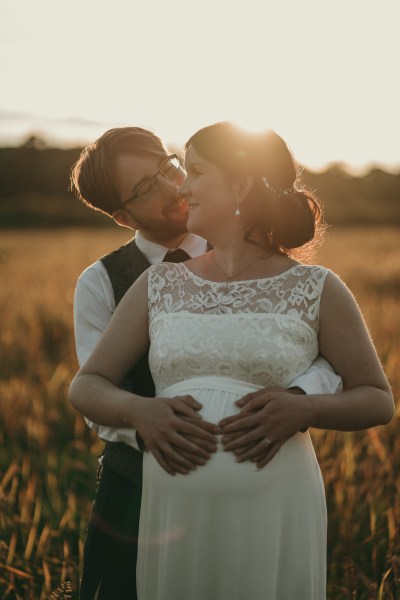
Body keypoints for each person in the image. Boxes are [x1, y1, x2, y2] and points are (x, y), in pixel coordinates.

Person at [70, 126, 345, 599]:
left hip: (264, 491)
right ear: (121, 215)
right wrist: (142, 416)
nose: (172, 187)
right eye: (144, 189)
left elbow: (318, 354)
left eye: (168, 167)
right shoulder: (102, 283)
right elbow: (93, 386)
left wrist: (301, 398)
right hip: (138, 490)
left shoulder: (260, 253)